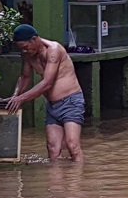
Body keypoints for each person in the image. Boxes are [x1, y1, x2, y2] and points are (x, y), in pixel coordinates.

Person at [6, 25, 86, 162]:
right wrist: (15, 95)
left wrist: (21, 99)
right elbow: (25, 77)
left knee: (72, 145)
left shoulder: (54, 50)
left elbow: (47, 83)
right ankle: (56, 183)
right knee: (53, 149)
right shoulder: (27, 54)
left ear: (34, 39)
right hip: (52, 106)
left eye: (26, 47)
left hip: (71, 101)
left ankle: (77, 182)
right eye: (21, 49)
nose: (24, 51)